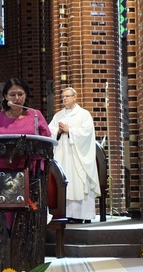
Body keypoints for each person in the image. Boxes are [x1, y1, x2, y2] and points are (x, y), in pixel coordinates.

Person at [0, 78, 52, 227]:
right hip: (3, 171)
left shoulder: (35, 115)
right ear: (5, 97)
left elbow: (47, 140)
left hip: (30, 170)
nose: (17, 98)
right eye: (12, 94)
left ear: (26, 95)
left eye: (20, 94)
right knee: (6, 215)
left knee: (27, 216)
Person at [48, 87, 101, 223]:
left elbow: (87, 132)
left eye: (68, 96)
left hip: (78, 156)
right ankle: (67, 214)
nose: (65, 98)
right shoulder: (58, 115)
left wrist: (70, 130)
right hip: (63, 155)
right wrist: (58, 131)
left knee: (78, 180)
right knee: (65, 181)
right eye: (63, 96)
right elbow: (50, 131)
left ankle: (83, 215)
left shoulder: (83, 114)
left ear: (74, 97)